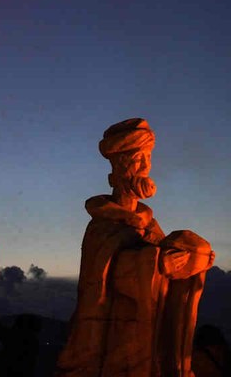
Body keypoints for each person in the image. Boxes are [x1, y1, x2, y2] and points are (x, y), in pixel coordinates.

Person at [56, 118, 214, 377]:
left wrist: (195, 260)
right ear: (119, 166)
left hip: (148, 334)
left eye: (148, 158)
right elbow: (101, 277)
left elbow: (163, 257)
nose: (146, 167)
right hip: (117, 338)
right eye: (138, 159)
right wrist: (157, 262)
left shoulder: (150, 225)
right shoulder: (102, 227)